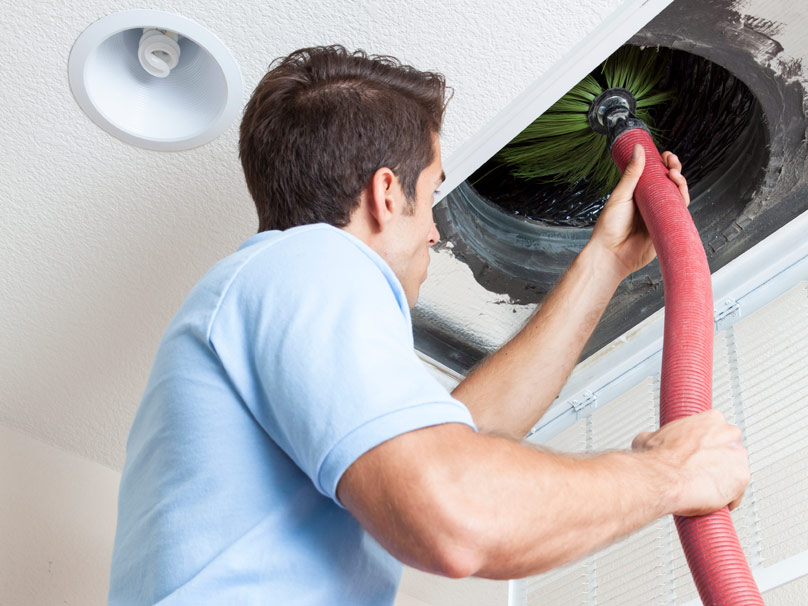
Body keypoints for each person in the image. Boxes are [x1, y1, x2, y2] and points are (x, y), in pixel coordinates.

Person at [108, 45, 749, 605]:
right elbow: (457, 509)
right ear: (387, 195)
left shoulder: (272, 285)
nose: (436, 232)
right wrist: (671, 474)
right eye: (433, 193)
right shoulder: (313, 261)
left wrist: (605, 261)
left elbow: (466, 432)